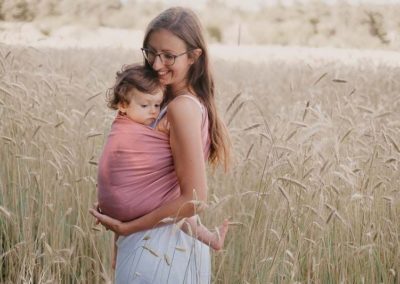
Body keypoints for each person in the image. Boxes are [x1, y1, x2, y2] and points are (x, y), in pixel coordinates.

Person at [90, 6, 230, 283]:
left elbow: (195, 199)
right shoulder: (161, 102)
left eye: (168, 56)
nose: (156, 64)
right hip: (159, 244)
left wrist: (127, 226)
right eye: (151, 52)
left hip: (160, 249)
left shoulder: (181, 108)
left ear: (193, 57)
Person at [96, 64, 229, 269]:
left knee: (177, 206)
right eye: (145, 106)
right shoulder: (132, 128)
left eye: (157, 106)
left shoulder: (129, 122)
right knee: (177, 203)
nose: (153, 112)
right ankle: (211, 239)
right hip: (127, 206)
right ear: (122, 105)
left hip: (113, 208)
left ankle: (116, 254)